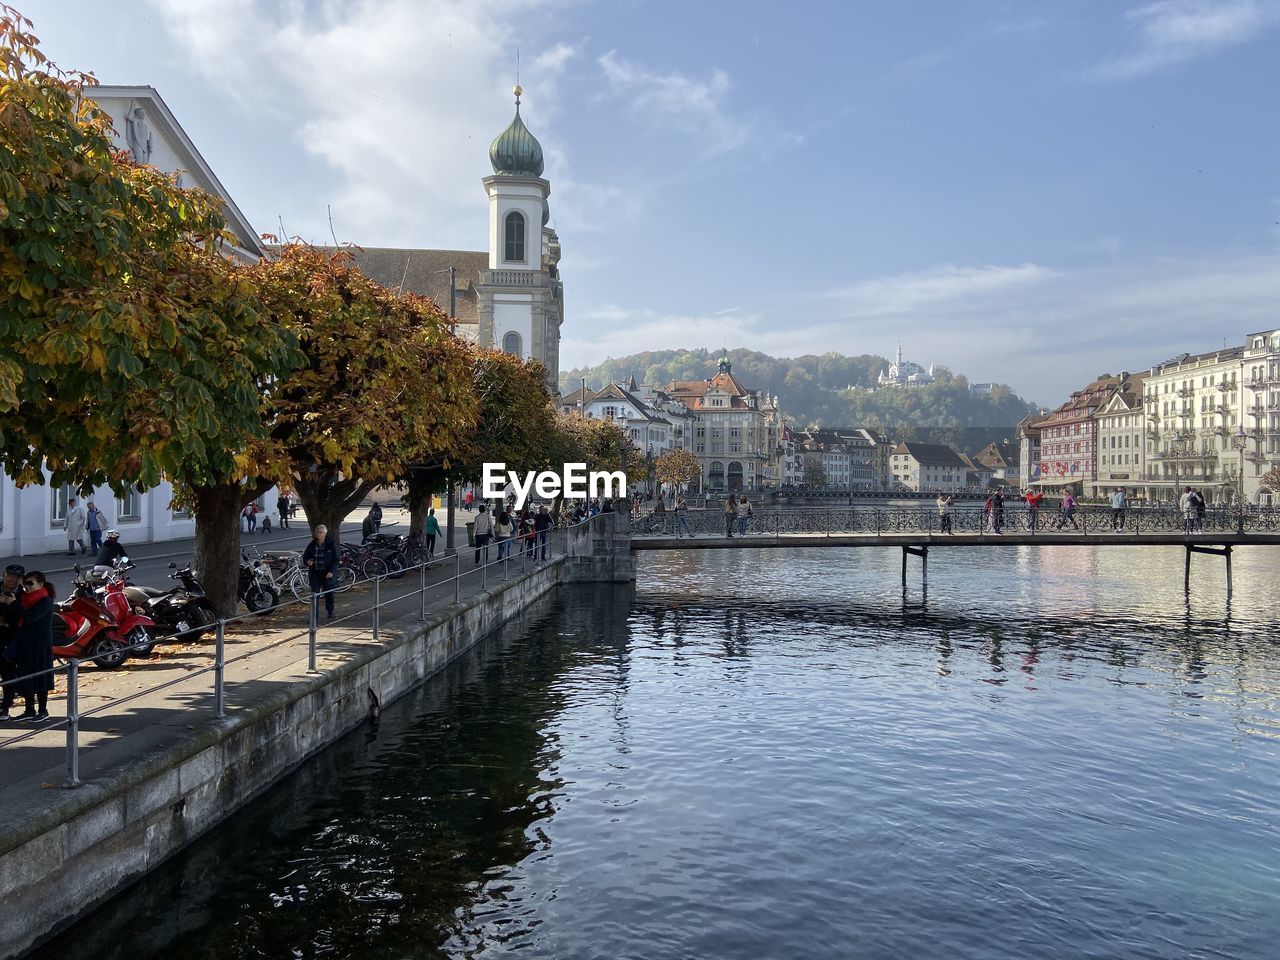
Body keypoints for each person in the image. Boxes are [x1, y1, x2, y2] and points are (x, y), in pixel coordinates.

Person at [3, 570, 55, 722]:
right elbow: (16, 614)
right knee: (26, 676)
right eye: (25, 583)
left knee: (40, 676)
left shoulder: (45, 600)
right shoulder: (24, 598)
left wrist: (13, 604)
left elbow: (31, 617)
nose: (27, 586)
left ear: (41, 584)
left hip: (40, 645)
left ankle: (43, 710)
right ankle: (29, 709)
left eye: (30, 583)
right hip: (25, 643)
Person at [0, 563, 24, 720]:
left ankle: (4, 708)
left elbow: (23, 617)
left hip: (11, 639)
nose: (12, 581)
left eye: (16, 578)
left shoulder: (23, 595)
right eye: (10, 577)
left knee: (8, 675)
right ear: (4, 575)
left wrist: (12, 605)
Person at [302, 524, 340, 619]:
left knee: (329, 594)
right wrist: (307, 562)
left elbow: (336, 560)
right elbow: (305, 557)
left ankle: (330, 611)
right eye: (317, 532)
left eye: (320, 532)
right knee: (315, 594)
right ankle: (314, 616)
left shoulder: (330, 544)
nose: (318, 534)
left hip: (327, 573)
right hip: (315, 573)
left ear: (325, 533)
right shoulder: (312, 544)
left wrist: (331, 571)